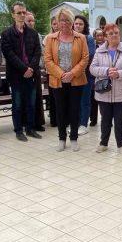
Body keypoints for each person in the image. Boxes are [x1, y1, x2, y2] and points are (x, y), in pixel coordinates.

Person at [43, 8, 89, 151]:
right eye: (61, 20)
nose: (64, 23)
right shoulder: (50, 38)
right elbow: (48, 60)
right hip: (58, 80)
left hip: (76, 80)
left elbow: (85, 58)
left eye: (67, 20)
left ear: (72, 22)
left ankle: (74, 138)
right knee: (60, 110)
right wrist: (61, 74)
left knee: (75, 110)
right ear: (57, 22)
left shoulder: (81, 38)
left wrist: (72, 73)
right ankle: (62, 139)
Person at [90, 24, 122, 154]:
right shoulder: (99, 51)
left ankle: (121, 145)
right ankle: (103, 143)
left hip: (121, 92)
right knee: (105, 119)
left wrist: (119, 74)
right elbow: (92, 69)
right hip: (104, 92)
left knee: (119, 120)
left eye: (116, 32)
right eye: (110, 34)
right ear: (105, 37)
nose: (114, 35)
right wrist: (106, 71)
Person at [1, 1, 42, 141]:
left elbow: (37, 52)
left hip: (31, 74)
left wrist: (31, 68)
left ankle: (30, 128)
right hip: (16, 75)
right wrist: (24, 69)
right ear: (13, 15)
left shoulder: (33, 33)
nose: (22, 15)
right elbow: (9, 54)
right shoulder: (6, 34)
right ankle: (18, 130)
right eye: (19, 13)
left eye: (24, 12)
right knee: (17, 104)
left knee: (31, 103)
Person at [74, 15, 96, 136]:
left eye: (80, 24)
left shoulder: (89, 38)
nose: (78, 26)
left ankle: (83, 124)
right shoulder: (70, 37)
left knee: (84, 100)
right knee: (75, 100)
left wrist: (78, 68)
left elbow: (90, 56)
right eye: (76, 23)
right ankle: (75, 123)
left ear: (85, 26)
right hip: (72, 75)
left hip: (85, 74)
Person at [25, 11, 46, 132]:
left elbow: (40, 52)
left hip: (35, 69)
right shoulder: (19, 34)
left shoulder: (37, 35)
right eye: (29, 20)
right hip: (23, 70)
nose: (31, 23)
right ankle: (26, 123)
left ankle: (38, 122)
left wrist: (34, 67)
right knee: (25, 98)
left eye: (32, 20)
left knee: (37, 97)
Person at [89, 28, 105, 127]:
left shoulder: (107, 46)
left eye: (101, 35)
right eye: (97, 35)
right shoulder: (92, 47)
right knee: (93, 99)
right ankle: (93, 119)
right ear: (95, 37)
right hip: (93, 76)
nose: (99, 37)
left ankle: (105, 119)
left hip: (104, 75)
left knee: (103, 99)